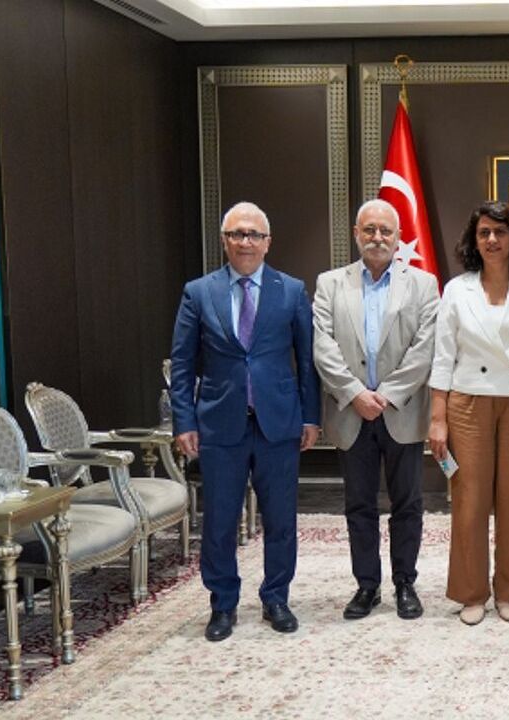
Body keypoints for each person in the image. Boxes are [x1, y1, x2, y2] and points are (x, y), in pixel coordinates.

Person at [169, 201, 321, 642]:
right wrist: (184, 421)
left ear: (268, 242)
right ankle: (222, 604)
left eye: (254, 234)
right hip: (220, 425)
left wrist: (311, 417)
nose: (246, 242)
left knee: (281, 519)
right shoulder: (199, 292)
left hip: (279, 423)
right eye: (237, 234)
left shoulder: (290, 290)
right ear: (225, 241)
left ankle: (276, 597)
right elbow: (183, 363)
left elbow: (307, 361)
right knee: (219, 520)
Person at [312, 198, 439, 622]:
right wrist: (355, 393)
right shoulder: (330, 284)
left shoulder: (423, 284)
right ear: (356, 234)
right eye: (369, 230)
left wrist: (385, 394)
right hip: (351, 412)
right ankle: (367, 585)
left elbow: (425, 348)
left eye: (386, 230)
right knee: (359, 506)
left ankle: (405, 583)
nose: (378, 237)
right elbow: (322, 347)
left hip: (401, 410)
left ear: (399, 236)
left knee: (408, 504)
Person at [430, 201, 509, 626]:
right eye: (484, 233)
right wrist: (437, 418)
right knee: (470, 500)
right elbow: (443, 356)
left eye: (500, 232)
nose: (492, 240)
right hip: (467, 402)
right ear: (473, 240)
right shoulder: (456, 290)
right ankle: (471, 591)